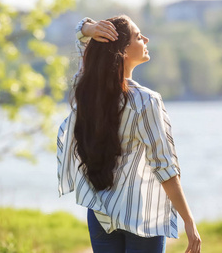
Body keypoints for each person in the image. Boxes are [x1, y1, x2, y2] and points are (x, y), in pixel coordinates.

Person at [57, 15, 201, 253]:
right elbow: (165, 167)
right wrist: (188, 220)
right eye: (137, 36)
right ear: (122, 51)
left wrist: (89, 28)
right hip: (141, 216)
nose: (145, 39)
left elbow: (81, 40)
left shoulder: (87, 91)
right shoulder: (146, 101)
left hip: (101, 213)